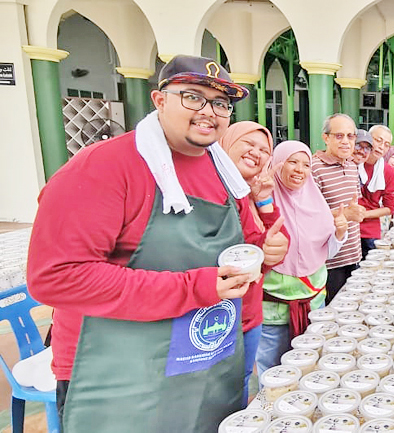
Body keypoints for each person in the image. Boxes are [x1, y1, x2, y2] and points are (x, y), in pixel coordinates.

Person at [26, 55, 290, 432]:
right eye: (193, 97)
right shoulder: (104, 167)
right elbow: (57, 277)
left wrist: (265, 254)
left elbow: (245, 247)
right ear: (159, 99)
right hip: (121, 370)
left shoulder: (223, 171)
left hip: (206, 359)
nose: (209, 112)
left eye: (221, 103)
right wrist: (195, 286)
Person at [256, 141, 347, 377]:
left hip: (313, 303)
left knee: (310, 365)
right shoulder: (262, 202)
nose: (300, 170)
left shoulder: (317, 203)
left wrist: (339, 233)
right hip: (274, 309)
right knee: (272, 369)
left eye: (306, 165)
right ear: (278, 164)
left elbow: (326, 253)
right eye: (292, 162)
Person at [219, 121, 275, 405]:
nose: (257, 153)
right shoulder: (212, 192)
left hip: (249, 313)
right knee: (213, 393)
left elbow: (273, 247)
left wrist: (264, 202)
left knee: (238, 386)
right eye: (249, 144)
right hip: (211, 316)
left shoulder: (249, 195)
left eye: (264, 150)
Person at [311, 113, 366, 304]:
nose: (346, 141)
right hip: (328, 262)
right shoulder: (313, 168)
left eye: (350, 136)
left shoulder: (352, 166)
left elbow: (354, 206)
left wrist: (357, 213)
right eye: (339, 135)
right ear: (326, 137)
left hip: (353, 254)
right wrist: (341, 214)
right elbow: (307, 216)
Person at [357, 126, 394, 257]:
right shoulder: (351, 163)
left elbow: (389, 208)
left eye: (386, 145)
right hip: (347, 227)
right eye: (378, 140)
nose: (381, 147)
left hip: (369, 231)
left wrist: (364, 215)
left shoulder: (388, 172)